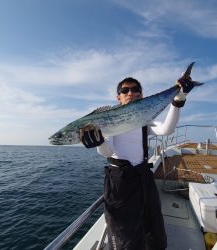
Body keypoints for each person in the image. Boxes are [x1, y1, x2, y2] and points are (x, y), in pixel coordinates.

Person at [79, 75, 195, 250]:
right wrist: (99, 142)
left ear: (141, 95)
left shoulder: (144, 120)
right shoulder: (108, 119)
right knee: (125, 234)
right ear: (118, 97)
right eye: (124, 90)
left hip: (144, 176)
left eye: (135, 90)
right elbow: (108, 152)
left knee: (153, 224)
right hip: (120, 181)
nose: (130, 92)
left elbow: (166, 129)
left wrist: (179, 98)